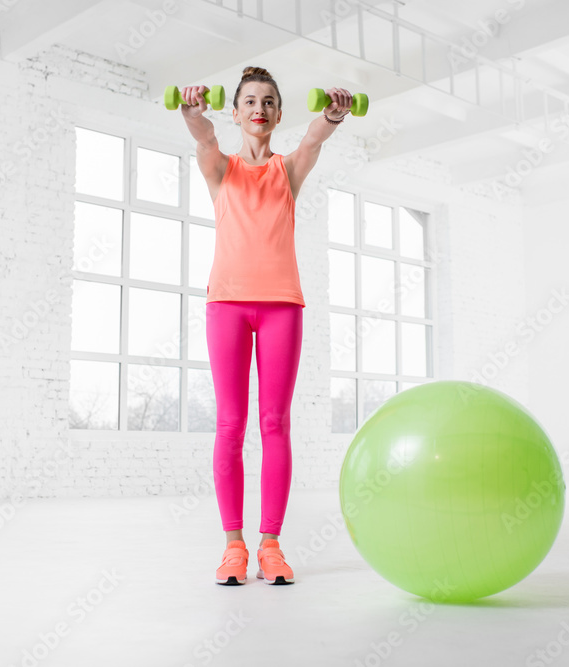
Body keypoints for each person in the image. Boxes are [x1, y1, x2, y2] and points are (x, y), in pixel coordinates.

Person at [179, 66, 353, 585]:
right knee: (231, 424)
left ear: (278, 114)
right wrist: (192, 107)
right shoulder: (220, 167)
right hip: (227, 305)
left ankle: (271, 544)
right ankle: (233, 546)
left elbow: (314, 141)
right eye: (250, 101)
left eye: (269, 102)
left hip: (281, 307)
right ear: (235, 112)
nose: (259, 109)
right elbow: (202, 132)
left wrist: (334, 113)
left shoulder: (288, 171)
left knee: (275, 423)